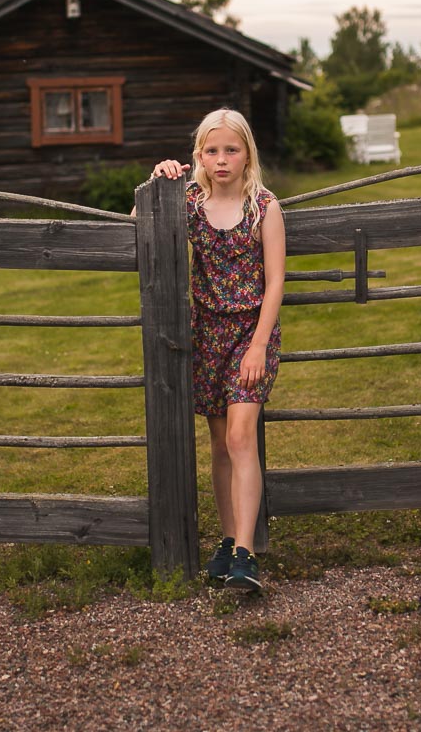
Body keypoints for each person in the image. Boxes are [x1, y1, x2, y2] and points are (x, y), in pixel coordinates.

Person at [150, 108, 285, 593]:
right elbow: (138, 229)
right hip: (205, 337)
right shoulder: (188, 202)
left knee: (240, 437)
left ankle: (247, 555)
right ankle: (227, 542)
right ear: (198, 156)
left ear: (247, 152)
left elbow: (275, 284)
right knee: (219, 444)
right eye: (212, 151)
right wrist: (156, 184)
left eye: (231, 149)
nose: (221, 159)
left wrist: (258, 347)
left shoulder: (263, 207)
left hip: (252, 337)